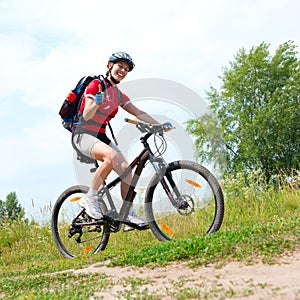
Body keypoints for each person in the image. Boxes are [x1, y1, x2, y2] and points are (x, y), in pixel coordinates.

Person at [72, 51, 161, 230]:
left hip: (101, 136)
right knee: (111, 157)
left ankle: (127, 213)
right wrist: (97, 101)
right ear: (110, 66)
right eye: (120, 66)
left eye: (126, 69)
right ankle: (89, 198)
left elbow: (138, 113)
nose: (123, 70)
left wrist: (160, 125)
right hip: (83, 134)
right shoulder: (95, 85)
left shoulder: (118, 95)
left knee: (126, 171)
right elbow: (86, 115)